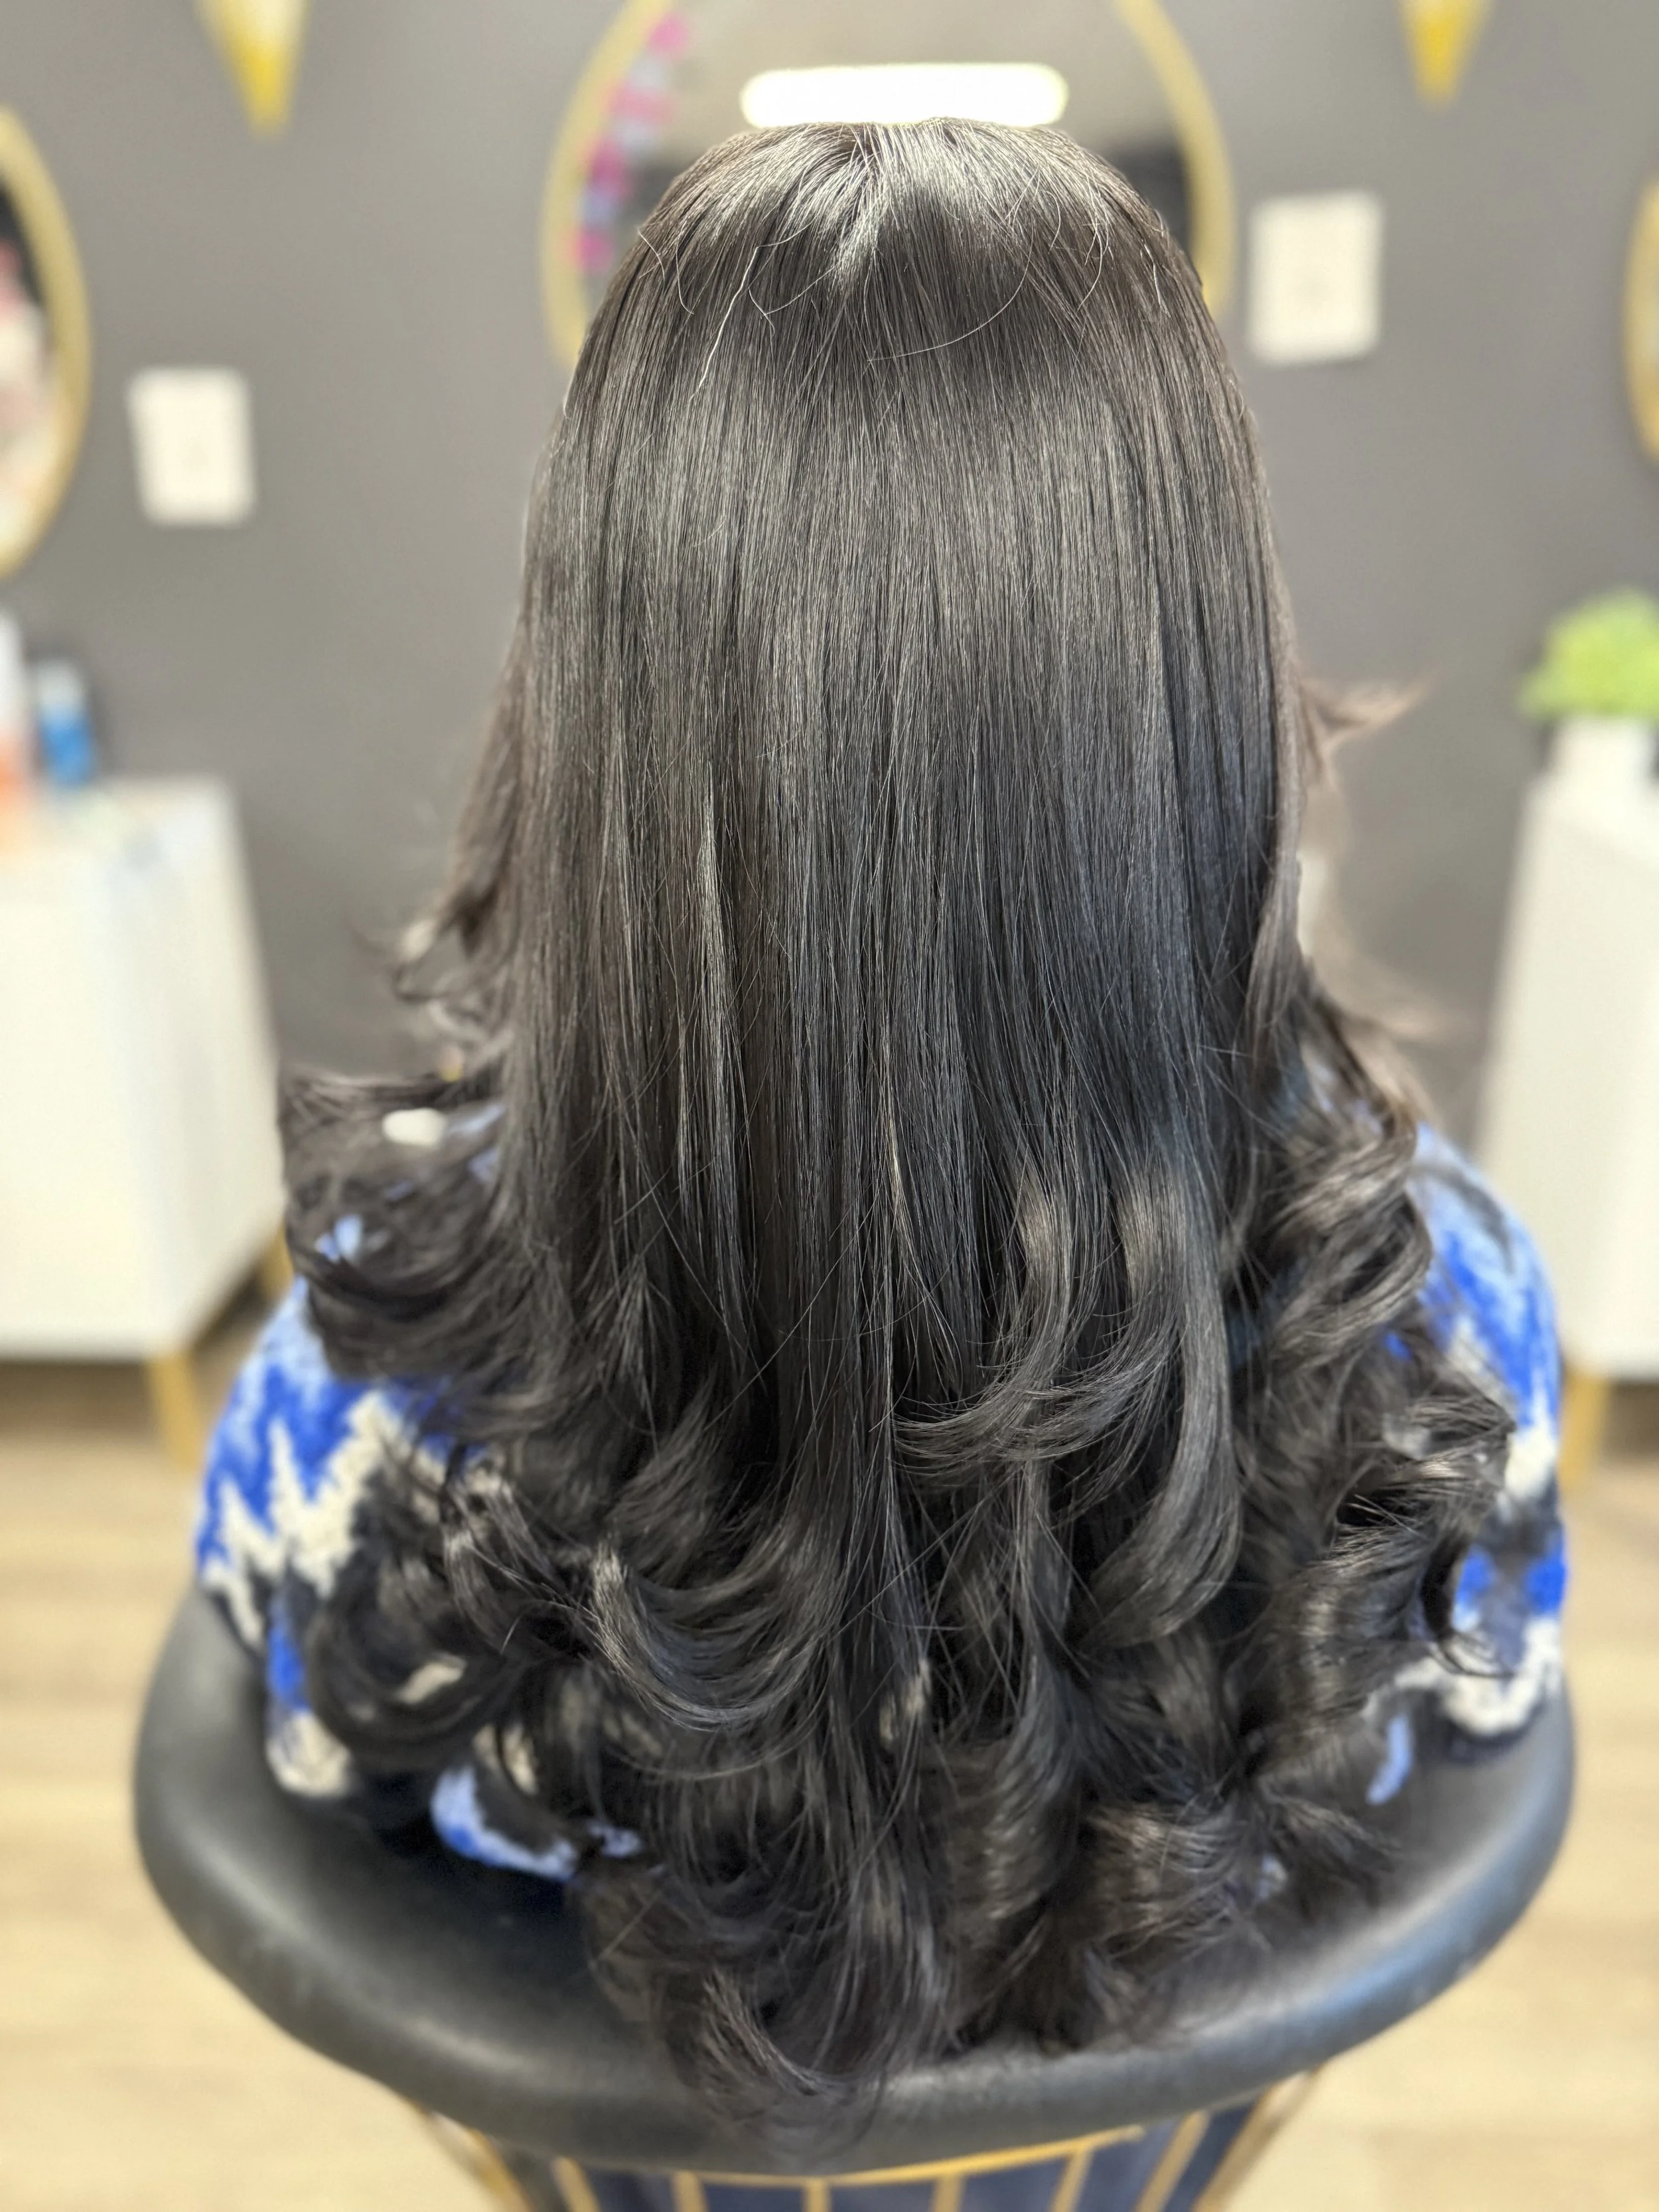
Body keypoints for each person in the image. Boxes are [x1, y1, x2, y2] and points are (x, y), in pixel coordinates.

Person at [194, 120, 1564, 2161]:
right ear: (1190, 715)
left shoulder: (367, 1397)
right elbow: (1480, 1721)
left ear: (599, 715)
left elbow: (303, 1778)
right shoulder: (1440, 1322)